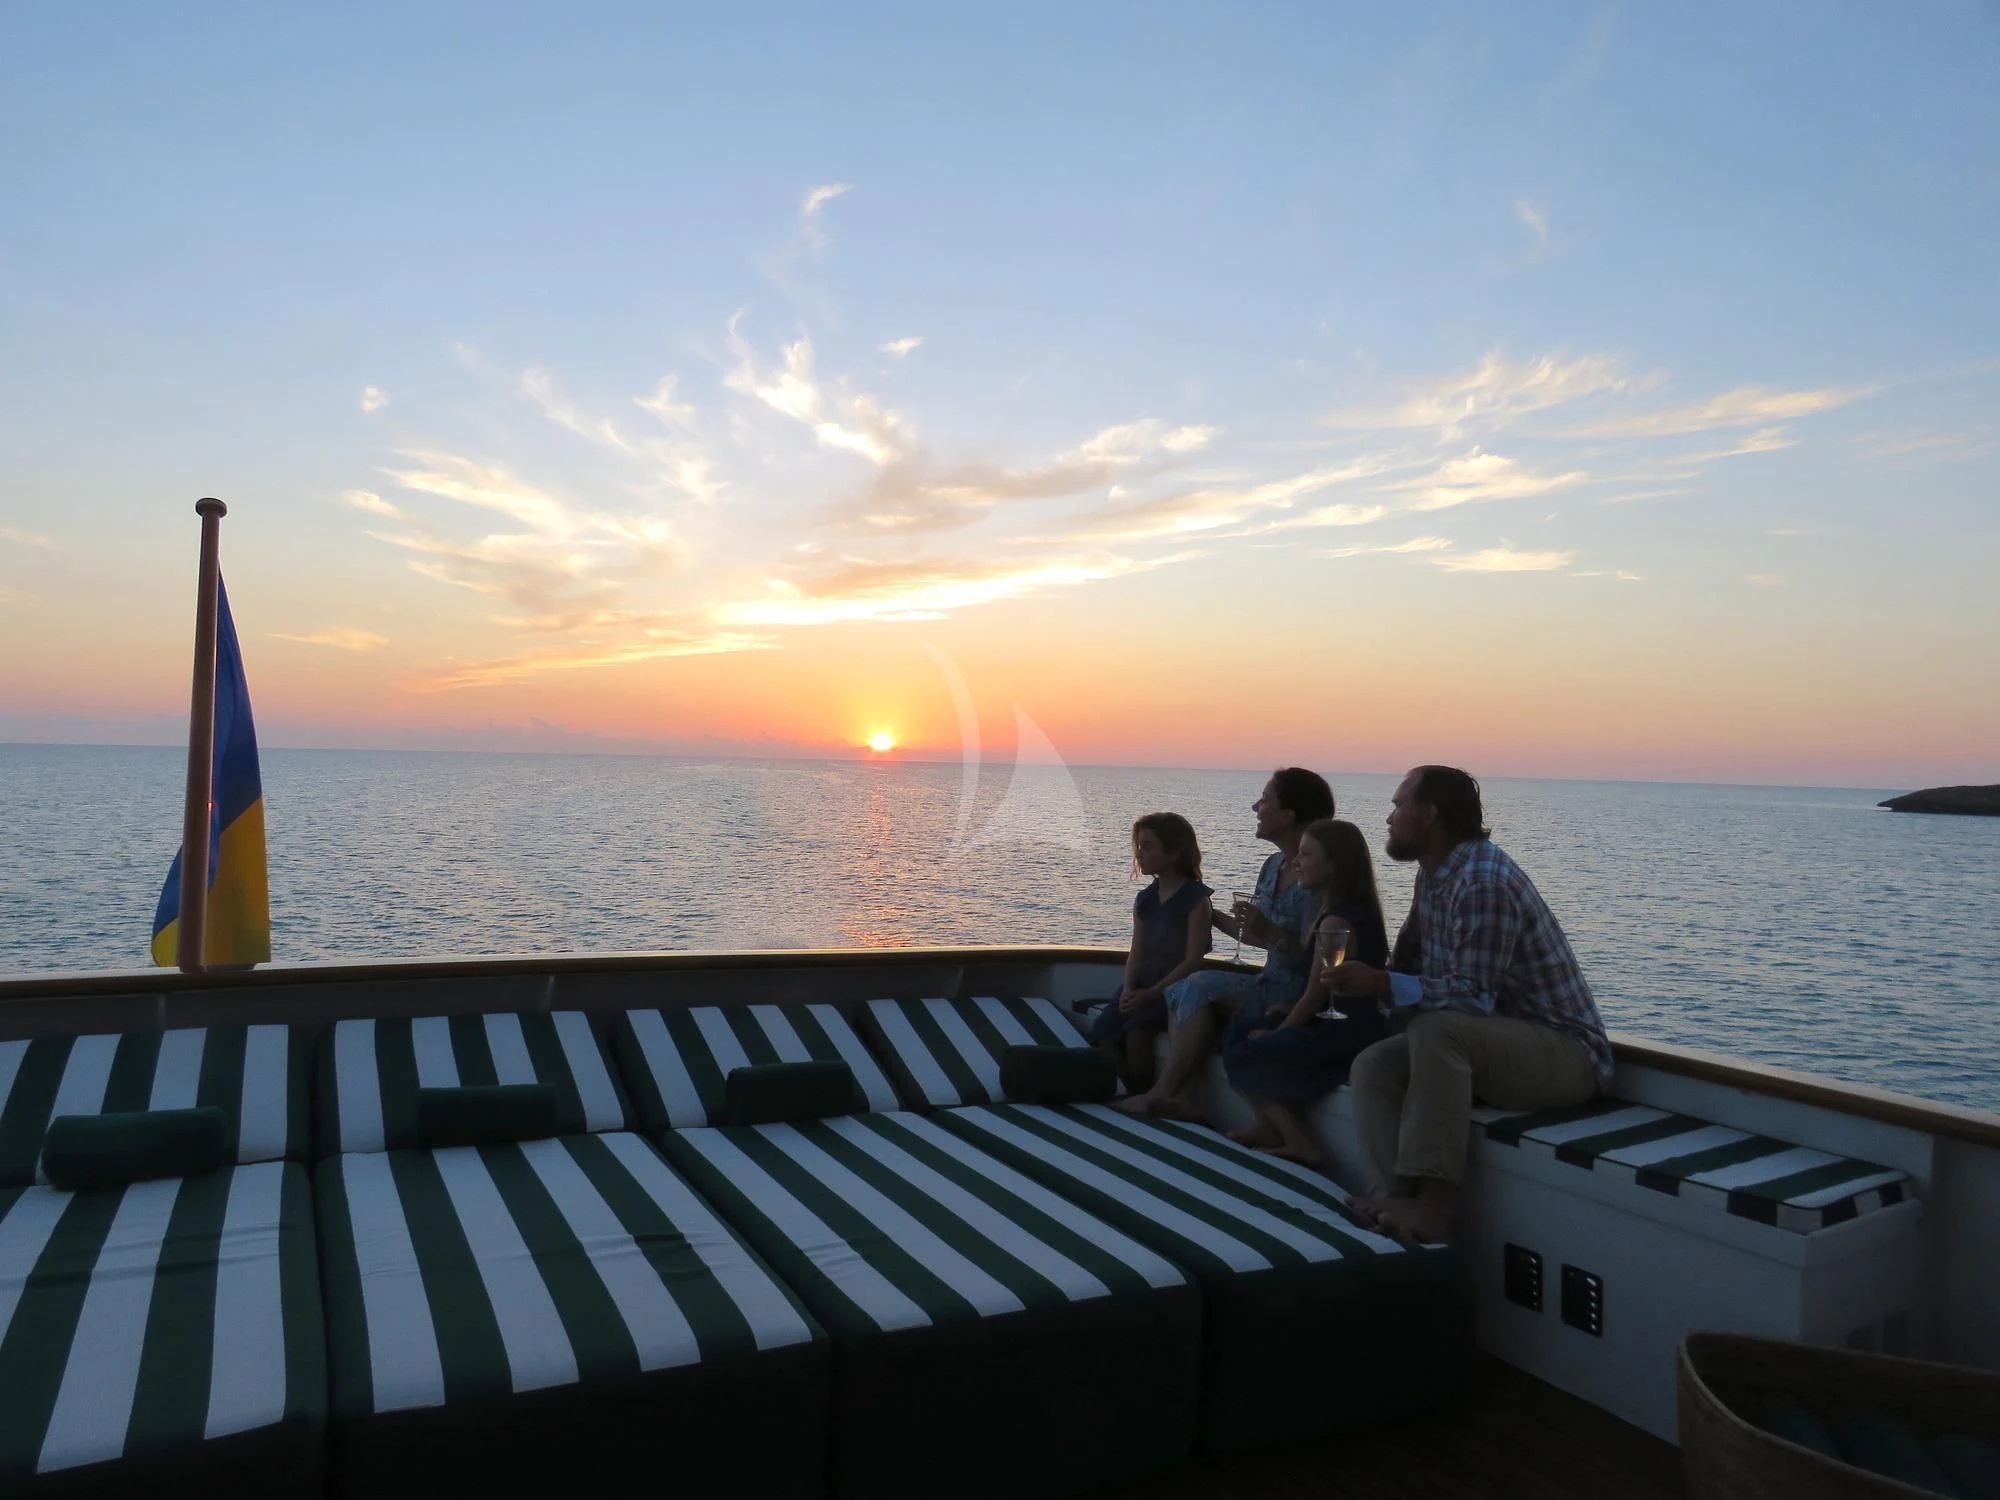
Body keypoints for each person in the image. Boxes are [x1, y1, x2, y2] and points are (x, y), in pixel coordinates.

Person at [1327, 766, 1612, 1246]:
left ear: (1431, 815)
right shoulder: (1434, 875)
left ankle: (1434, 1211)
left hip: (1567, 1056)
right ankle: (1390, 1195)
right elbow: (1410, 960)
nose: (1389, 817)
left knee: (1439, 1030)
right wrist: (1376, 986)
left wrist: (1381, 983)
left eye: (1399, 805)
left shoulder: (1482, 882)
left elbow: (1472, 998)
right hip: (1493, 1046)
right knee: (1373, 1065)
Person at [1117, 768, 1334, 1121]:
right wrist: (1208, 914)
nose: (1255, 807)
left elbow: (1322, 959)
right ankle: (1183, 1096)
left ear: (1289, 814)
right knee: (1188, 986)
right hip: (1268, 982)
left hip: (1298, 993)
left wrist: (1274, 933)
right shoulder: (1273, 865)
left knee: (1197, 983)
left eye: (1265, 800)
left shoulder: (1319, 874)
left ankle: (1162, 1093)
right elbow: (1254, 936)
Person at [1219, 818, 1390, 1165]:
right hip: (1347, 1024)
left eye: (1307, 854)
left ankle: (1299, 1142)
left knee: (1246, 1049)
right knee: (1241, 1029)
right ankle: (1267, 1125)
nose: (1296, 861)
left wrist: (1279, 1031)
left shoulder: (1335, 922)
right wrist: (1287, 1010)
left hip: (1345, 1034)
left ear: (1334, 865)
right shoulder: (1353, 911)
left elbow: (1315, 995)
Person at [1089, 813, 1214, 1091]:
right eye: (1138, 846)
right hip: (1141, 986)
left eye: (1147, 846)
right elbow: (1137, 951)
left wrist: (1152, 993)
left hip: (1171, 990)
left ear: (1173, 853)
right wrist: (1129, 988)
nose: (1139, 854)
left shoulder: (1196, 900)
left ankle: (1140, 1096)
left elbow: (1193, 960)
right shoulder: (1145, 899)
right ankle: (1119, 1091)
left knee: (1138, 1036)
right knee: (1103, 1032)